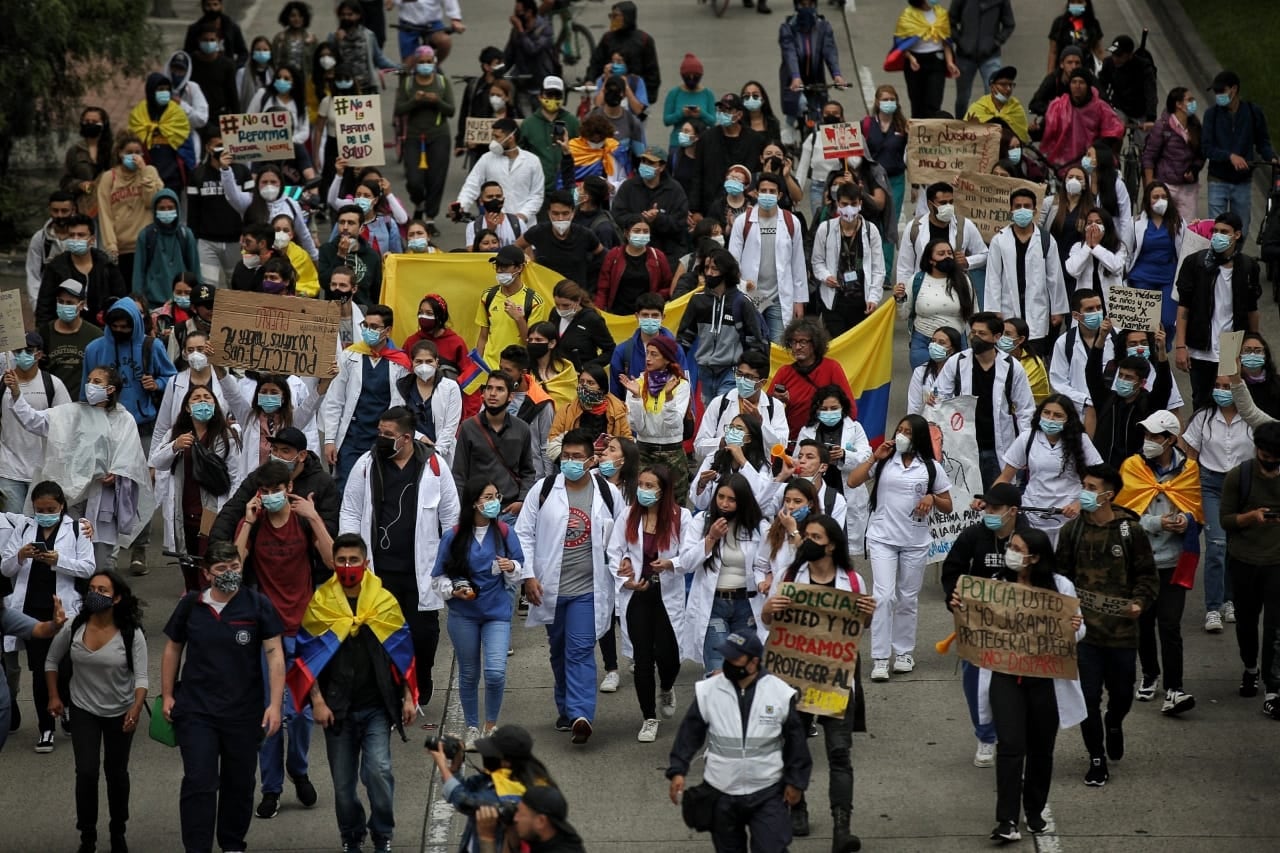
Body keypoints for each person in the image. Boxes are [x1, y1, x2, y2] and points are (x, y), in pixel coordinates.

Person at [289, 533, 418, 853]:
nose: (348, 566)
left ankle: (382, 834)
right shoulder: (321, 605)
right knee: (344, 788)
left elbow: (401, 652)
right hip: (338, 711)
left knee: (379, 771)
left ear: (366, 563)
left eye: (354, 560)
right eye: (342, 561)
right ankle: (351, 837)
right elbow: (307, 659)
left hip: (377, 707)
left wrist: (407, 696)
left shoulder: (384, 602)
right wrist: (316, 701)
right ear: (334, 564)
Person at [161, 540, 285, 853]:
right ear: (206, 573)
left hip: (243, 712)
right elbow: (173, 648)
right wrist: (166, 695)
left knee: (240, 783)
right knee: (199, 781)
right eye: (221, 569)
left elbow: (274, 654)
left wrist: (274, 705)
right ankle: (198, 847)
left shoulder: (257, 605)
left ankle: (232, 844)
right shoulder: (191, 605)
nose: (229, 573)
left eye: (234, 567)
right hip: (196, 710)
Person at [963, 528, 1086, 842]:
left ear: (1035, 557)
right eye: (1011, 547)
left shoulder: (1061, 586)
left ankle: (1034, 811)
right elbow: (977, 624)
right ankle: (1006, 820)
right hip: (1006, 677)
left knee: (1042, 750)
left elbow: (1078, 630)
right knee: (1011, 746)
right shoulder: (998, 586)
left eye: (1018, 548)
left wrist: (1075, 627)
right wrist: (962, 607)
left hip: (1046, 680)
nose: (1011, 552)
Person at [339, 406, 459, 711]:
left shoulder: (434, 465)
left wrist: (452, 560)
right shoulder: (366, 464)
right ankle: (394, 692)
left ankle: (421, 676)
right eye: (379, 432)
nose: (381, 439)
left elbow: (451, 515)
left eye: (388, 435)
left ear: (406, 438)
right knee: (383, 634)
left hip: (421, 568)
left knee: (422, 634)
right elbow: (351, 510)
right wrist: (351, 553)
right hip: (379, 567)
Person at [517, 428, 623, 745]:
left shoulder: (606, 492)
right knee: (559, 652)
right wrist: (528, 576)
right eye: (566, 456)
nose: (571, 462)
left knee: (579, 651)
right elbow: (523, 534)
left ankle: (581, 715)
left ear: (591, 460)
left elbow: (621, 536)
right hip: (550, 588)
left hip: (588, 590)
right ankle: (565, 709)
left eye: (578, 457)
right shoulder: (544, 488)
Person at [666, 631, 812, 853]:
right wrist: (678, 770)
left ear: (753, 662)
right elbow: (690, 732)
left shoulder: (779, 693)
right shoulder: (709, 690)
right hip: (722, 791)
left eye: (735, 659)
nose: (729, 663)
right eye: (727, 657)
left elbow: (796, 742)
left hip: (767, 791)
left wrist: (796, 782)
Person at [44, 569, 146, 853]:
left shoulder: (131, 633)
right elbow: (51, 661)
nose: (95, 595)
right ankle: (87, 836)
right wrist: (54, 696)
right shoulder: (75, 626)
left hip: (120, 710)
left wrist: (136, 709)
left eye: (103, 590)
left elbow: (141, 678)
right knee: (86, 772)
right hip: (83, 708)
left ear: (117, 598)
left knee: (116, 772)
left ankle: (118, 831)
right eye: (92, 589)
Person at [849, 415, 953, 681]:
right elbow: (853, 481)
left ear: (918, 437)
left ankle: (904, 652)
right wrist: (874, 456)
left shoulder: (930, 467)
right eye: (900, 430)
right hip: (882, 537)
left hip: (915, 540)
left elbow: (948, 504)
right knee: (883, 597)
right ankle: (881, 658)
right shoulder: (884, 461)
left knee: (907, 598)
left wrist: (931, 498)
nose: (902, 435)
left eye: (908, 431)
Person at [1110, 411, 1200, 717]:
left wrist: (1184, 521)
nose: (1148, 441)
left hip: (1175, 561)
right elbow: (1123, 513)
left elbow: (1196, 512)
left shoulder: (1189, 470)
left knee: (1170, 625)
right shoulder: (1132, 467)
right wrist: (1156, 522)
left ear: (1171, 440)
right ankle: (1149, 674)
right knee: (1143, 624)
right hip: (1141, 561)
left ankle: (1175, 687)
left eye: (1154, 437)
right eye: (1146, 435)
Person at [0, 480, 94, 753]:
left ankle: (62, 705)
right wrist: (19, 555)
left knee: (65, 667)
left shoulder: (78, 529)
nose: (45, 513)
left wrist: (57, 560)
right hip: (31, 611)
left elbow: (88, 568)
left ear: (62, 506)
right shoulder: (25, 527)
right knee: (41, 671)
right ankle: (46, 728)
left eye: (51, 508)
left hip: (63, 609)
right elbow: (5, 569)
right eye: (40, 509)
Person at [941, 482, 1030, 768]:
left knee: (1017, 684)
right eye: (986, 508)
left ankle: (1014, 735)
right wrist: (954, 596)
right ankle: (985, 737)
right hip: (977, 626)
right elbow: (953, 569)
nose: (988, 513)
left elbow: (1047, 579)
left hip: (1017, 627)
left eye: (995, 509)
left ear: (1013, 511)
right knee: (976, 683)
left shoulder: (1030, 538)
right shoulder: (973, 536)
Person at [433, 479, 524, 746]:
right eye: (488, 497)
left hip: (496, 612)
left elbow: (521, 567)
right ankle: (472, 726)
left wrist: (511, 567)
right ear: (474, 502)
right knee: (469, 673)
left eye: (496, 496)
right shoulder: (453, 536)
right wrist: (454, 590)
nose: (494, 501)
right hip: (463, 615)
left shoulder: (505, 532)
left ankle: (491, 725)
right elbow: (438, 577)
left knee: (495, 672)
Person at [606, 464, 691, 743]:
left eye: (649, 486)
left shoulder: (682, 517)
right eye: (640, 484)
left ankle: (666, 686)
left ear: (663, 491)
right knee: (642, 660)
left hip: (667, 596)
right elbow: (614, 551)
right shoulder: (629, 515)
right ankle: (649, 717)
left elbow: (689, 556)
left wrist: (671, 563)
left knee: (669, 657)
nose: (643, 490)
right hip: (638, 595)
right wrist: (624, 571)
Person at [935, 312, 1035, 489]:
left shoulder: (1013, 367)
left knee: (997, 497)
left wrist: (1025, 448)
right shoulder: (957, 362)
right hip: (963, 444)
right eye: (973, 333)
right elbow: (939, 399)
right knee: (965, 499)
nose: (975, 337)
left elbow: (1025, 411)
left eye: (982, 334)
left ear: (996, 337)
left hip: (998, 447)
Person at [1174, 211, 1262, 410]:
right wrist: (1180, 346)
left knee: (1234, 403)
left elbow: (1252, 310)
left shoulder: (1248, 267)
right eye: (1215, 231)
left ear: (1237, 235)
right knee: (1202, 403)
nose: (1218, 235)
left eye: (1224, 231)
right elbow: (1184, 308)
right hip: (1200, 347)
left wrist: (1255, 343)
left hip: (1232, 346)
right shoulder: (1195, 263)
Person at [1184, 376, 1252, 634]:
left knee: (1234, 546)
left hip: (1242, 487)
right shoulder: (1203, 418)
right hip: (1210, 485)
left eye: (1228, 387)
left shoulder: (1251, 418)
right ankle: (1213, 607)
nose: (1222, 392)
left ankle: (1229, 599)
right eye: (1218, 386)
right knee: (1215, 545)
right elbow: (1190, 455)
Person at [150, 384, 243, 566]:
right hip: (183, 508)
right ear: (187, 407)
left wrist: (230, 511)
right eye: (196, 398)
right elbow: (157, 462)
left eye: (207, 398)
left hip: (212, 510)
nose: (202, 401)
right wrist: (174, 446)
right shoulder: (175, 434)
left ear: (215, 405)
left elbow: (235, 476)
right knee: (186, 562)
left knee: (209, 563)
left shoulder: (225, 436)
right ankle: (191, 593)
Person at [321, 304, 410, 488]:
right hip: (352, 438)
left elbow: (402, 406)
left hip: (382, 438)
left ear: (387, 331)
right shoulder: (349, 356)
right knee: (346, 487)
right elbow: (334, 400)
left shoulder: (400, 363)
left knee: (377, 489)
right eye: (366, 325)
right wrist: (330, 440)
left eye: (374, 327)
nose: (368, 331)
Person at [994, 394, 1102, 545]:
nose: (1050, 418)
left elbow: (1099, 478)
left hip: (1068, 518)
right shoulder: (1027, 438)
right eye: (1046, 413)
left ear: (1068, 419)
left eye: (1057, 415)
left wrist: (1079, 504)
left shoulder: (1081, 440)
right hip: (1032, 514)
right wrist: (989, 500)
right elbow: (1005, 477)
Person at [677, 248, 768, 404]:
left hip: (732, 371)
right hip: (704, 371)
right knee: (711, 415)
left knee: (725, 410)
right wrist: (675, 364)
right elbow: (685, 337)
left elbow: (754, 341)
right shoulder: (697, 300)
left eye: (715, 268)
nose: (709, 273)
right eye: (706, 268)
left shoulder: (743, 302)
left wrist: (747, 372)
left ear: (726, 272)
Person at [984, 189, 1066, 356]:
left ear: (1035, 210)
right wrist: (994, 309)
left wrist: (1057, 309)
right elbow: (993, 277)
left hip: (1037, 308)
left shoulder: (1045, 239)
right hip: (1007, 308)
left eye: (1027, 206)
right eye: (1018, 206)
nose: (1022, 210)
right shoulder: (999, 240)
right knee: (1007, 355)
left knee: (1034, 357)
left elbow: (1054, 276)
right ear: (1011, 210)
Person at [727, 172, 807, 342]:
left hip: (779, 296)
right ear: (755, 193)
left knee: (778, 346)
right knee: (751, 343)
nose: (767, 195)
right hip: (751, 293)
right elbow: (732, 262)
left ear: (779, 195)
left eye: (772, 191)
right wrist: (740, 286)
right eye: (763, 190)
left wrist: (799, 300)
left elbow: (798, 264)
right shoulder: (743, 221)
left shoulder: (791, 222)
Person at [0, 333, 71, 513]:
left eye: (28, 350)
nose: (22, 354)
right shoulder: (2, 384)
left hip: (44, 470)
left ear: (38, 354)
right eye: (18, 350)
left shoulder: (53, 384)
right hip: (8, 469)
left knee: (39, 526)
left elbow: (67, 426)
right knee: (13, 526)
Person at [1202, 70, 1278, 238]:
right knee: (1216, 228)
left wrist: (1271, 158)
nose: (1218, 96)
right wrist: (1229, 156)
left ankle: (1234, 258)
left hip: (1242, 182)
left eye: (1221, 91)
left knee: (1241, 229)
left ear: (1234, 89)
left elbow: (1263, 142)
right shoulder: (1211, 115)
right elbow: (1206, 148)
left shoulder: (1252, 112)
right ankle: (1218, 258)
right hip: (1218, 180)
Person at [455, 372, 538, 521]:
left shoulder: (522, 429)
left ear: (511, 396)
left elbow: (528, 471)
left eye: (500, 389)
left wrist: (522, 500)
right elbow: (459, 474)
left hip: (509, 510)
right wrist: (464, 508)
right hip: (477, 509)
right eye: (489, 388)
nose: (493, 394)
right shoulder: (468, 427)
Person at [619, 336, 692, 504]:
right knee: (641, 502)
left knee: (675, 506)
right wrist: (636, 398)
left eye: (654, 354)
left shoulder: (680, 385)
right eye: (647, 354)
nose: (648, 359)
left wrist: (668, 398)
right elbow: (637, 426)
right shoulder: (637, 384)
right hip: (644, 450)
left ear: (667, 359)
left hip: (672, 452)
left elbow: (674, 425)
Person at [810, 182, 886, 337]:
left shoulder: (871, 231)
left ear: (860, 204)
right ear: (838, 204)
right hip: (834, 301)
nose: (849, 209)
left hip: (862, 302)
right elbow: (817, 261)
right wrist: (825, 276)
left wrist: (874, 297)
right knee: (836, 346)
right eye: (844, 204)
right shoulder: (826, 229)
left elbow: (878, 269)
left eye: (853, 204)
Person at [895, 182, 988, 306]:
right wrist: (905, 298)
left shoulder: (965, 225)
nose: (948, 206)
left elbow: (985, 254)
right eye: (943, 203)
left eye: (951, 202)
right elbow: (904, 267)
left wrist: (967, 261)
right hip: (923, 294)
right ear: (930, 204)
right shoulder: (914, 228)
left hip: (956, 292)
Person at [394, 46, 454, 226]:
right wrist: (415, 100)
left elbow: (450, 110)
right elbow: (399, 109)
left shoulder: (442, 82)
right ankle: (419, 203)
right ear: (416, 63)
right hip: (414, 137)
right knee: (414, 179)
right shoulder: (408, 83)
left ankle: (430, 218)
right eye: (422, 62)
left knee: (436, 178)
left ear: (434, 62)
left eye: (429, 62)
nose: (426, 65)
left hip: (439, 136)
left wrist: (437, 101)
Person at [694, 350, 789, 463]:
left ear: (762, 383)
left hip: (756, 472)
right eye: (739, 374)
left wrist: (761, 425)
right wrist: (724, 441)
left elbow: (780, 446)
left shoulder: (774, 406)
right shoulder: (720, 403)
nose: (742, 380)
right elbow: (699, 446)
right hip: (723, 470)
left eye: (749, 377)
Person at [897, 237, 978, 369]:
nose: (947, 257)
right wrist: (900, 299)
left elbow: (974, 313)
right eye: (941, 254)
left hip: (955, 344)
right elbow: (904, 314)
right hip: (923, 343)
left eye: (949, 253)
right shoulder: (917, 280)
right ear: (931, 260)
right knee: (924, 386)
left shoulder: (963, 280)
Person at [95, 133, 163, 283]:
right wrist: (110, 245)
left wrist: (144, 171)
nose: (134, 156)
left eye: (138, 152)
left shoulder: (150, 172)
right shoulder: (109, 177)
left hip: (148, 245)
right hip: (121, 248)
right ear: (120, 153)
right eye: (129, 152)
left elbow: (151, 202)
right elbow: (105, 214)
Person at [453, 119, 545, 225]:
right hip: (494, 224)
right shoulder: (486, 159)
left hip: (525, 226)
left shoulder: (532, 161)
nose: (493, 141)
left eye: (497, 137)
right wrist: (461, 205)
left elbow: (537, 195)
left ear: (511, 138)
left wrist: (523, 215)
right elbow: (472, 185)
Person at [611, 149, 689, 266]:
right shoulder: (628, 187)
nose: (645, 166)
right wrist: (640, 220)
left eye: (651, 163)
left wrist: (658, 219)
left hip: (667, 254)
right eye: (643, 161)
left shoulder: (674, 190)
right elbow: (617, 215)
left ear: (661, 167)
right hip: (633, 253)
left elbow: (680, 222)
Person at [690, 95, 766, 216]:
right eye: (720, 110)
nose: (722, 113)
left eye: (728, 110)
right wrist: (695, 210)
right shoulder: (706, 139)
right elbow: (697, 175)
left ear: (739, 115)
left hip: (745, 208)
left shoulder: (755, 141)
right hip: (710, 207)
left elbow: (758, 173)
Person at [1041, 70, 1125, 177]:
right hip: (1063, 164)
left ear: (1088, 86)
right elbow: (1047, 129)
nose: (1077, 86)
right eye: (1074, 82)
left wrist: (1094, 147)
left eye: (1081, 82)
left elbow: (1113, 132)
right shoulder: (1059, 106)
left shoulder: (1100, 107)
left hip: (1092, 161)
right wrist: (1035, 129)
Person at [777, 0, 847, 129]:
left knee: (820, 112)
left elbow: (829, 50)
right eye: (802, 4)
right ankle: (789, 133)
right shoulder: (787, 27)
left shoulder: (823, 26)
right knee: (798, 105)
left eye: (810, 4)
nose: (806, 8)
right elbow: (790, 53)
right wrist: (796, 76)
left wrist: (836, 75)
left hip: (816, 78)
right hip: (793, 79)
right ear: (796, 6)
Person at [1143, 88, 1205, 224]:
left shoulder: (1195, 126)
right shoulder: (1163, 126)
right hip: (1166, 185)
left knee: (1187, 229)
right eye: (1189, 100)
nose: (1193, 103)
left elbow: (1201, 155)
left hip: (1188, 189)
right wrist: (1150, 185)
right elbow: (1149, 156)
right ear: (1178, 104)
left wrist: (1194, 169)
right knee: (1162, 225)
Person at [547, 365, 631, 464]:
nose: (584, 386)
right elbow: (553, 442)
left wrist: (614, 443)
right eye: (581, 382)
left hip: (608, 466)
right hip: (576, 465)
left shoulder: (618, 411)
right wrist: (586, 451)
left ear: (602, 388)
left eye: (590, 383)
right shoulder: (566, 410)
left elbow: (628, 443)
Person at [891, 0, 959, 120]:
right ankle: (918, 134)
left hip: (937, 61)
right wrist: (910, 58)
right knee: (917, 103)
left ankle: (932, 133)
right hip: (915, 62)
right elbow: (900, 43)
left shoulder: (941, 14)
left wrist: (949, 62)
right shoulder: (908, 15)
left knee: (934, 102)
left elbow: (946, 41)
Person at [949, 0, 1016, 119]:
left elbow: (1009, 24)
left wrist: (997, 42)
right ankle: (960, 127)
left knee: (994, 94)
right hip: (965, 55)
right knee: (962, 97)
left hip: (990, 55)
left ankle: (992, 127)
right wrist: (960, 41)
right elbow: (950, 21)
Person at [38, 281, 102, 402]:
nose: (64, 306)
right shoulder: (44, 333)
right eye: (60, 301)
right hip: (52, 407)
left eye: (69, 303)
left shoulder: (95, 335)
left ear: (81, 305)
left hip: (83, 406)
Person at [589, 2, 661, 107]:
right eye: (611, 16)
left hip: (635, 97)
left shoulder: (644, 40)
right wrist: (590, 80)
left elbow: (652, 73)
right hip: (609, 97)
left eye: (616, 16)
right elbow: (596, 62)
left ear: (627, 17)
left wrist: (646, 99)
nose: (613, 19)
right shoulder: (607, 38)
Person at [328, 1, 397, 94]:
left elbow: (379, 59)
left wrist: (399, 68)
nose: (346, 18)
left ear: (358, 15)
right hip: (342, 89)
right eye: (343, 15)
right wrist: (337, 42)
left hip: (366, 88)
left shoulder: (368, 35)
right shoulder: (333, 37)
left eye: (350, 14)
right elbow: (329, 62)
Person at [1064, 207, 1128, 308]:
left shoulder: (1119, 246)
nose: (1094, 226)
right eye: (1089, 223)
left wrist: (1096, 246)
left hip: (1111, 305)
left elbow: (1116, 267)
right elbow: (1072, 270)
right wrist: (1088, 246)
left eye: (1098, 222)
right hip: (1087, 305)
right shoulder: (1078, 247)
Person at [24, 191, 76, 306]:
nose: (59, 215)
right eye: (55, 210)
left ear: (73, 210)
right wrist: (37, 306)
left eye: (64, 211)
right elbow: (33, 276)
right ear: (49, 210)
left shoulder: (83, 237)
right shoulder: (39, 239)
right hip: (48, 301)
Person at [61, 107, 113, 217]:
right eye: (87, 121)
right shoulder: (75, 150)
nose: (90, 124)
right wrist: (79, 185)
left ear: (104, 124)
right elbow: (65, 182)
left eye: (95, 122)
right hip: (85, 207)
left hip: (110, 206)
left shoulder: (113, 149)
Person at [663, 54, 716, 151]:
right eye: (688, 76)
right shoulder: (674, 93)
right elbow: (666, 120)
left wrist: (701, 114)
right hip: (678, 143)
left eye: (695, 76)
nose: (691, 79)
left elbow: (713, 121)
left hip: (701, 143)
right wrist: (681, 114)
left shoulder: (708, 94)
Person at [907, 325, 962, 414]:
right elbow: (914, 406)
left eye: (941, 342)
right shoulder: (920, 371)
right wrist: (926, 404)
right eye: (933, 341)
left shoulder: (963, 373)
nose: (935, 346)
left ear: (952, 350)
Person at [999, 318, 1051, 405]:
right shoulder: (995, 356)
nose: (1002, 338)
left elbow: (1018, 394)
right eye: (1001, 333)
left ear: (1020, 339)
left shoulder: (1033, 364)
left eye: (1007, 334)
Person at [183, 0, 248, 67]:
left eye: (215, 4)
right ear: (203, 7)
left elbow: (243, 53)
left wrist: (234, 67)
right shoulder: (194, 30)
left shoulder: (232, 28)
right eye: (208, 5)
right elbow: (187, 54)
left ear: (221, 6)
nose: (212, 8)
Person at [1046, 0, 1103, 74]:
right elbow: (1053, 52)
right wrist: (1049, 75)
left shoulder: (1093, 23)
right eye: (1072, 2)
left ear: (1086, 4)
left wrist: (1107, 70)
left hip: (1086, 71)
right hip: (1063, 71)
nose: (1076, 5)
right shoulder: (1059, 23)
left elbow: (1099, 51)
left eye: (1079, 2)